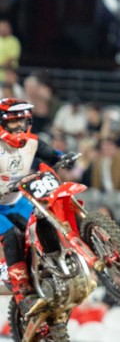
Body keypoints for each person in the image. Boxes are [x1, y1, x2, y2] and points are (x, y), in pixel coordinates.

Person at [0, 99, 65, 317]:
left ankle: (54, 266)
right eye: (13, 123)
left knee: (42, 221)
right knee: (11, 236)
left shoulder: (33, 142)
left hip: (17, 200)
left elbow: (52, 154)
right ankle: (23, 294)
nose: (19, 128)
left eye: (22, 122)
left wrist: (64, 158)